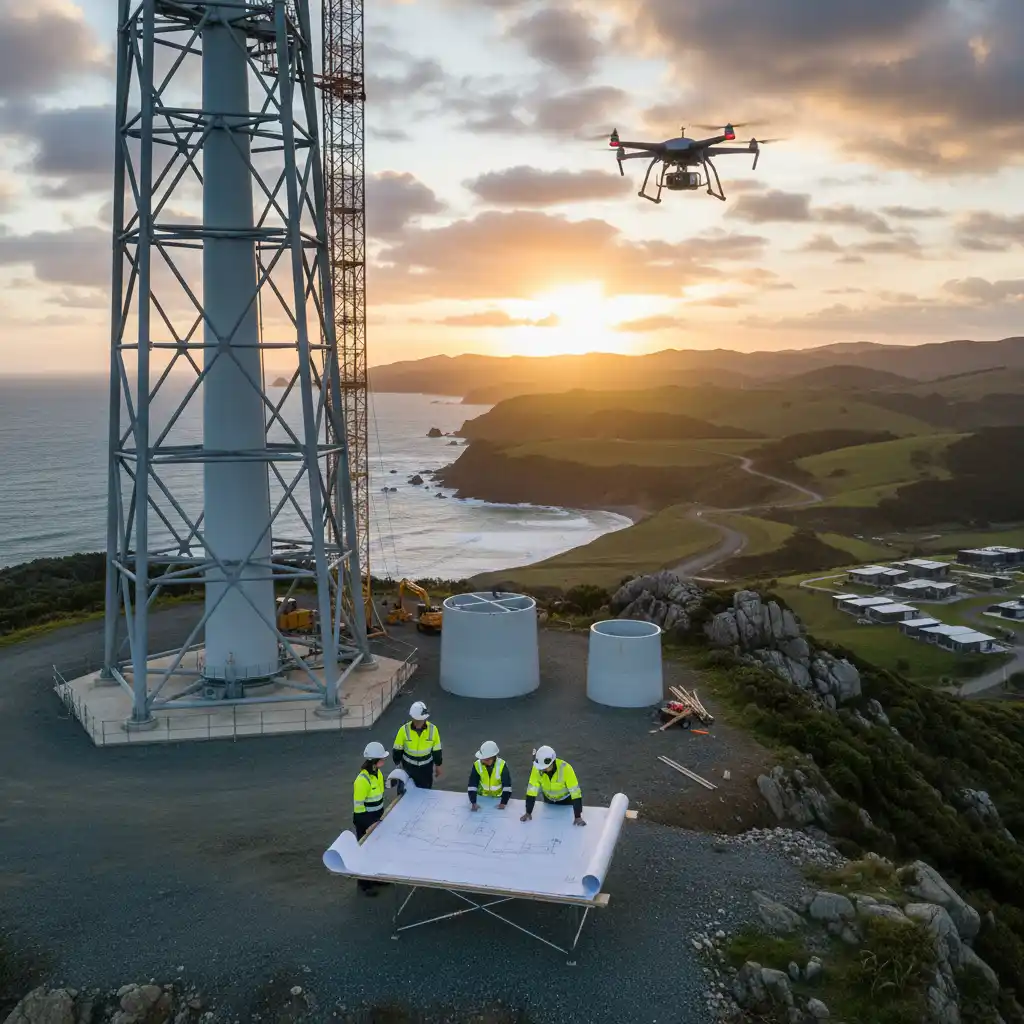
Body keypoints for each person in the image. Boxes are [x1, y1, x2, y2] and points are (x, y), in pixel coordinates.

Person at [353, 740, 389, 896]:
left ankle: (375, 878)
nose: (384, 760)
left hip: (376, 816)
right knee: (365, 851)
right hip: (365, 820)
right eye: (382, 758)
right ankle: (364, 884)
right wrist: (369, 825)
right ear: (374, 761)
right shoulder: (362, 780)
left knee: (376, 850)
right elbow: (358, 810)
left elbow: (380, 791)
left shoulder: (377, 773)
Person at [520, 745, 586, 826]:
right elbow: (531, 791)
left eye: (545, 768)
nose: (542, 770)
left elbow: (576, 793)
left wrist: (577, 817)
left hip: (566, 801)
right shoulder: (537, 769)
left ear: (552, 762)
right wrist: (528, 812)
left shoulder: (566, 768)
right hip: (549, 800)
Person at [392, 700, 442, 790]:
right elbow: (397, 750)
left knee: (425, 791)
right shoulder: (404, 730)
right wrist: (397, 766)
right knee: (404, 791)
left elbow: (437, 750)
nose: (421, 721)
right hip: (408, 768)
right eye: (418, 720)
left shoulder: (433, 729)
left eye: (422, 719)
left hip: (426, 769)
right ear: (413, 718)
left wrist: (438, 766)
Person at [467, 740, 511, 811]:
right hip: (481, 797)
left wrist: (503, 803)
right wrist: (473, 802)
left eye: (485, 759)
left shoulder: (502, 765)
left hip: (498, 798)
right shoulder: (477, 765)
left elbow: (507, 786)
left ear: (492, 758)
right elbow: (472, 785)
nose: (482, 761)